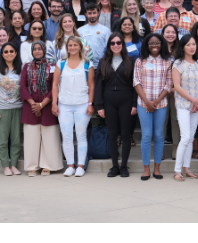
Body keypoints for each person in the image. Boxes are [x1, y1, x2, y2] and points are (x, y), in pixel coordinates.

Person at [95, 32, 138, 178]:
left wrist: (134, 103)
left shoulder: (131, 61)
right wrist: (99, 106)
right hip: (108, 101)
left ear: (123, 44)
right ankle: (115, 166)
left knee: (126, 134)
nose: (116, 45)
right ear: (109, 46)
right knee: (112, 134)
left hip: (126, 100)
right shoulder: (103, 62)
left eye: (118, 42)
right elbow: (98, 85)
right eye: (112, 43)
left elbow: (135, 84)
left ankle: (124, 166)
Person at [51, 36, 94, 177]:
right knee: (67, 136)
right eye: (70, 45)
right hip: (64, 105)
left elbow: (91, 85)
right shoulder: (61, 63)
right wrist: (54, 102)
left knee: (81, 136)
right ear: (67, 47)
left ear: (80, 46)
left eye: (75, 45)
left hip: (82, 104)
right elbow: (55, 84)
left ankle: (80, 166)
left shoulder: (87, 63)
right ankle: (70, 165)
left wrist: (90, 104)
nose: (73, 48)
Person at [133, 33, 172, 181]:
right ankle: (146, 168)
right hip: (144, 104)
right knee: (146, 135)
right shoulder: (140, 61)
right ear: (146, 45)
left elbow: (169, 84)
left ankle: (157, 168)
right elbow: (136, 82)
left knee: (159, 135)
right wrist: (148, 102)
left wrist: (156, 102)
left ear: (161, 44)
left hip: (161, 104)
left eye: (157, 43)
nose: (154, 46)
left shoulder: (167, 61)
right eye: (151, 43)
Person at [20, 41, 62, 176]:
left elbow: (54, 86)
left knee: (49, 137)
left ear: (44, 50)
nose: (37, 51)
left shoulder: (53, 66)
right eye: (35, 49)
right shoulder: (26, 67)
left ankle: (48, 165)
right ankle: (32, 166)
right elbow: (22, 86)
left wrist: (42, 104)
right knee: (31, 137)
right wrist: (33, 104)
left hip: (48, 105)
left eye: (40, 49)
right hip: (30, 107)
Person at [171, 34, 198, 181]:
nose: (192, 47)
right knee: (184, 137)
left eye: (193, 44)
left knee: (190, 138)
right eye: (188, 45)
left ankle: (186, 168)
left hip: (196, 106)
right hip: (183, 105)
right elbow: (177, 87)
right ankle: (177, 171)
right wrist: (193, 100)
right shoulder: (177, 64)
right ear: (183, 47)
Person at [78, 3, 111, 67]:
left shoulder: (106, 30)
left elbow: (109, 47)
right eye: (90, 13)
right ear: (86, 14)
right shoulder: (79, 31)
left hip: (101, 65)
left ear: (98, 13)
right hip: (84, 65)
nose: (92, 15)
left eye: (94, 13)